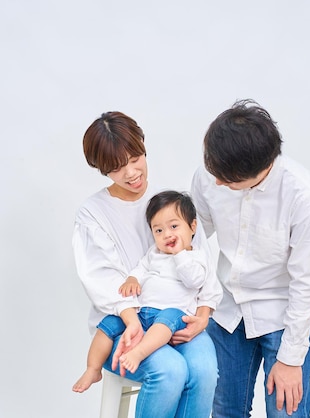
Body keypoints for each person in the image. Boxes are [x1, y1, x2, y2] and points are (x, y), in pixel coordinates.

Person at [71, 111, 222, 418]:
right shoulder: (93, 214)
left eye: (135, 158)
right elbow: (103, 282)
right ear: (101, 170)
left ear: (143, 146)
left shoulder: (169, 202)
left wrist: (203, 317)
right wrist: (132, 320)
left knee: (204, 371)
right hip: (124, 326)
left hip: (178, 318)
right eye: (116, 167)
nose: (131, 173)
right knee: (169, 371)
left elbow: (202, 262)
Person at [190, 100, 310, 418]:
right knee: (225, 411)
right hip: (227, 311)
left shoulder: (304, 196)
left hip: (283, 315)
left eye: (226, 180)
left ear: (257, 171)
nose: (216, 182)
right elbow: (191, 238)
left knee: (286, 413)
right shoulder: (213, 172)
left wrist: (292, 358)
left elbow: (308, 283)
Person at [73, 190, 211, 390]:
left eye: (174, 226)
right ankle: (93, 369)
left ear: (192, 227)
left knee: (166, 323)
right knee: (107, 325)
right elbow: (141, 267)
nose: (167, 235)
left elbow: (194, 281)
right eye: (158, 231)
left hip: (172, 314)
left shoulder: (196, 257)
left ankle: (139, 353)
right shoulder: (154, 253)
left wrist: (180, 254)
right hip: (141, 311)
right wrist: (132, 279)